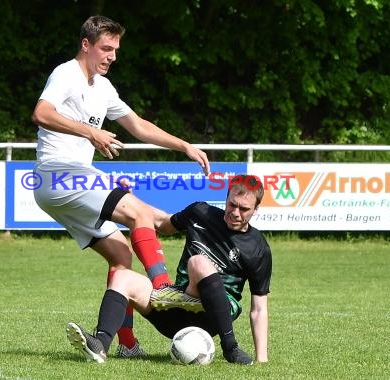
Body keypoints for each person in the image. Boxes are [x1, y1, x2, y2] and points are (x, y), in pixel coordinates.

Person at [31, 15, 210, 357]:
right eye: (106, 48)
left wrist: (184, 145)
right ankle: (162, 289)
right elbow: (41, 113)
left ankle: (120, 344)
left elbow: (139, 126)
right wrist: (91, 132)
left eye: (115, 49)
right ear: (86, 45)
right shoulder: (66, 73)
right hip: (59, 174)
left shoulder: (103, 87)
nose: (112, 55)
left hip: (59, 185)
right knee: (138, 212)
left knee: (121, 254)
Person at [66, 175, 272, 364]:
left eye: (244, 209)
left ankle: (230, 347)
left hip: (213, 315)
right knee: (122, 276)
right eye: (232, 205)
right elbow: (163, 224)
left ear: (256, 209)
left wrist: (261, 360)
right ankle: (100, 344)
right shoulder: (201, 212)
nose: (235, 213)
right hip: (176, 305)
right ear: (226, 198)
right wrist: (131, 203)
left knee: (198, 262)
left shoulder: (258, 248)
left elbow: (259, 308)